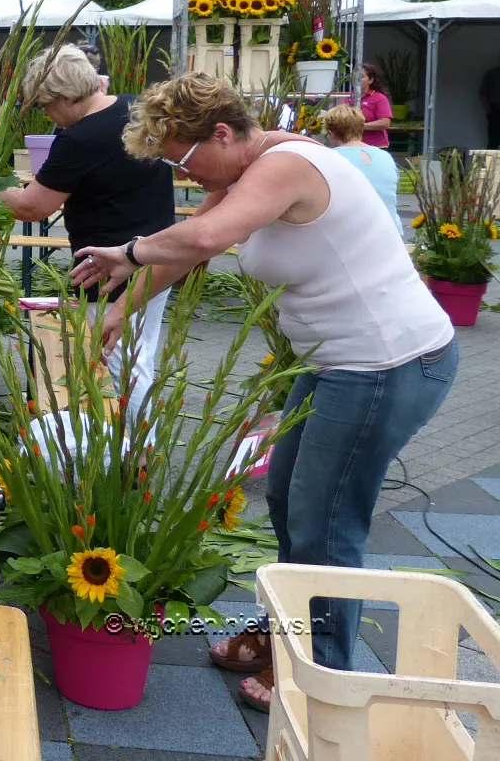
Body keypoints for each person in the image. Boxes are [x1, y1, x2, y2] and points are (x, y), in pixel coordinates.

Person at [68, 73, 456, 711]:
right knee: (285, 500)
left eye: (184, 161)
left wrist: (128, 251)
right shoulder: (242, 173)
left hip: (388, 364)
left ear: (222, 133)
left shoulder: (287, 166)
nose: (185, 177)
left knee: (325, 522)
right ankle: (287, 631)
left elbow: (203, 239)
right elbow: (189, 249)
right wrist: (122, 308)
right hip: (335, 363)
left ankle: (322, 679)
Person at [0, 45, 175, 408]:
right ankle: (133, 448)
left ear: (65, 98)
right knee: (138, 352)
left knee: (117, 358)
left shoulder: (79, 138)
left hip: (108, 265)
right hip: (160, 254)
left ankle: (129, 451)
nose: (46, 113)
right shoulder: (132, 106)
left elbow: (33, 205)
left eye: (46, 104)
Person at [322, 104, 402, 238]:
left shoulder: (328, 157)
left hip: (353, 235)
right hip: (391, 233)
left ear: (331, 132)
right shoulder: (385, 156)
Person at [357, 63, 393, 148]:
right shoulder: (347, 97)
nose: (357, 79)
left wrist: (359, 126)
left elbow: (385, 123)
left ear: (370, 80)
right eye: (354, 76)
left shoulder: (379, 98)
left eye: (361, 76)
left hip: (375, 146)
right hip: (351, 145)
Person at [483, 57, 500, 149]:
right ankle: (492, 163)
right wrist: (488, 109)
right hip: (496, 110)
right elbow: (484, 92)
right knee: (493, 141)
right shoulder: (492, 74)